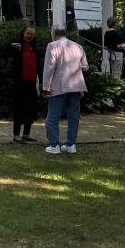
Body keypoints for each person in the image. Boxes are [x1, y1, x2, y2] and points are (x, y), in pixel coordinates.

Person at [42, 26, 89, 154]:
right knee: (73, 116)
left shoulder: (52, 46)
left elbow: (49, 69)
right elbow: (85, 67)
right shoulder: (77, 46)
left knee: (53, 117)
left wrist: (45, 87)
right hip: (76, 85)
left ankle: (54, 144)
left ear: (53, 33)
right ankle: (71, 144)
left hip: (59, 85)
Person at [9, 26, 43, 142]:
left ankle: (26, 134)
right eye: (27, 33)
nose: (29, 36)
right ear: (23, 34)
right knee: (19, 108)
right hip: (20, 83)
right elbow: (9, 56)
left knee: (31, 108)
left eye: (31, 34)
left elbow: (38, 66)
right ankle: (16, 134)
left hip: (32, 82)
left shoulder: (34, 48)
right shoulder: (18, 46)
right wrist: (13, 49)